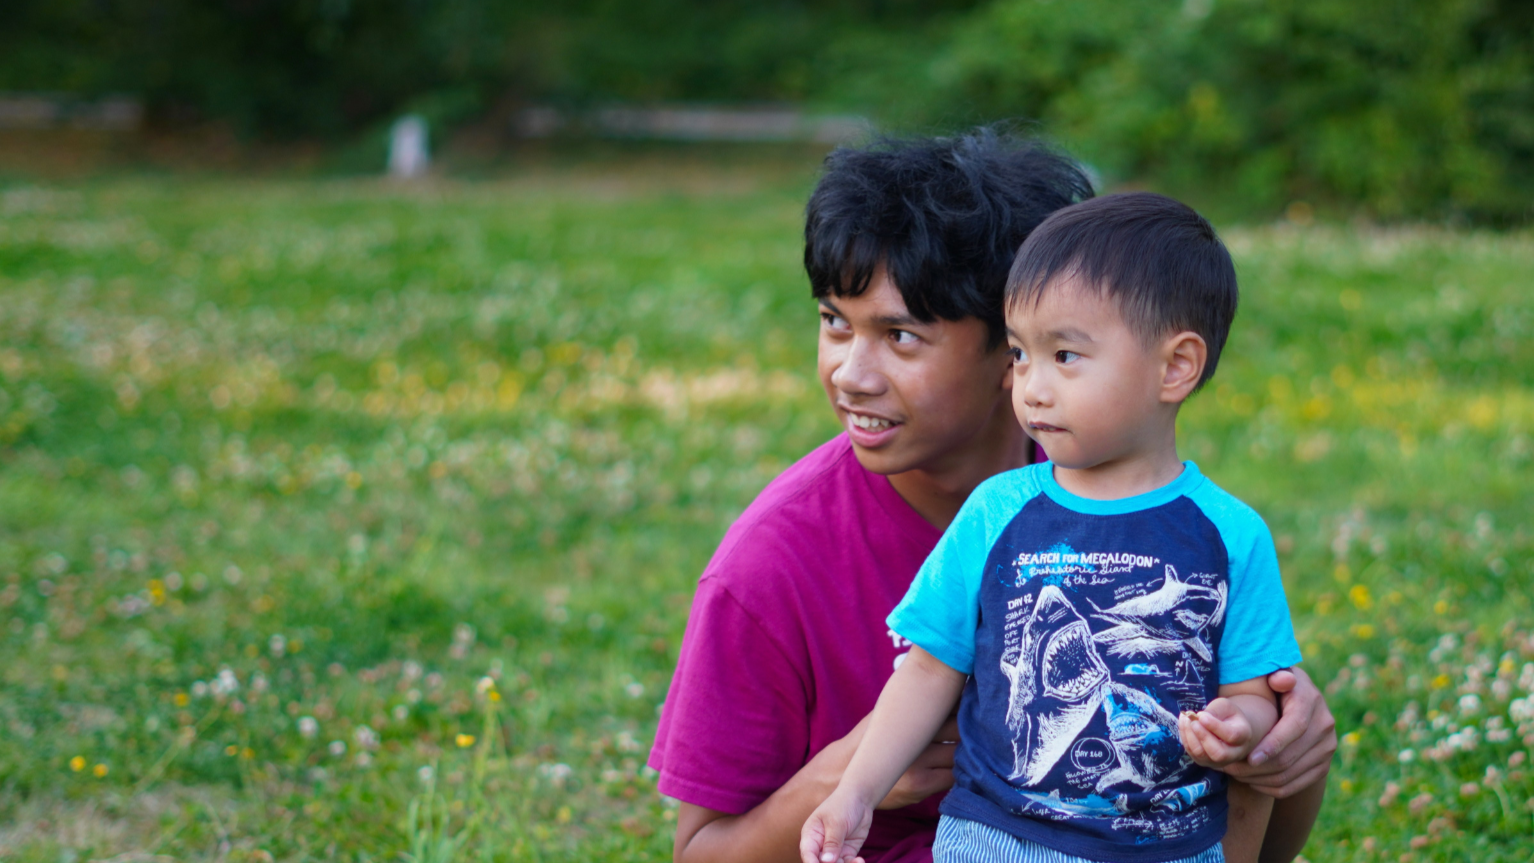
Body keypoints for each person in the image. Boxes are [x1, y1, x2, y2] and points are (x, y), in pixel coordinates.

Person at [648, 130, 1336, 863]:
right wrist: (845, 777)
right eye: (834, 322)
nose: (851, 374)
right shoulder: (768, 565)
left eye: (901, 335)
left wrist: (1283, 755)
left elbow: (1259, 831)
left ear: (1008, 349)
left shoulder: (1146, 508)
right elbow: (699, 854)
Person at [801, 192, 1300, 863]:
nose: (1031, 387)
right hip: (992, 842)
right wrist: (856, 791)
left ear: (1175, 366)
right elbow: (926, 671)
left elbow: (1255, 694)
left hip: (1164, 848)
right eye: (1020, 354)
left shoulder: (1229, 534)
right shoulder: (996, 511)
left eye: (1064, 355)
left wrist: (1240, 726)